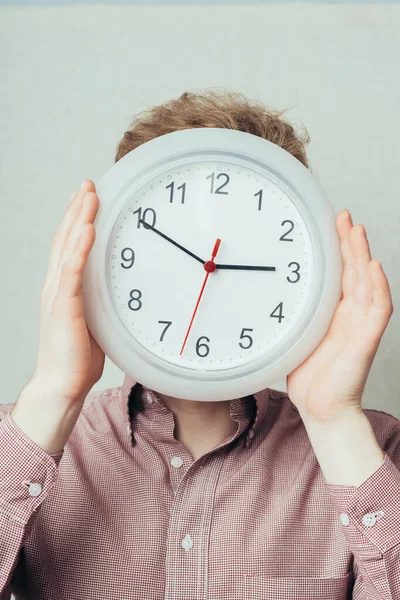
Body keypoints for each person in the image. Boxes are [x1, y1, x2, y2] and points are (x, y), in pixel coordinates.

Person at [0, 90, 399, 600]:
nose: (207, 269)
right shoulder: (28, 446)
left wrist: (334, 422)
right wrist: (53, 394)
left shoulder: (372, 452)